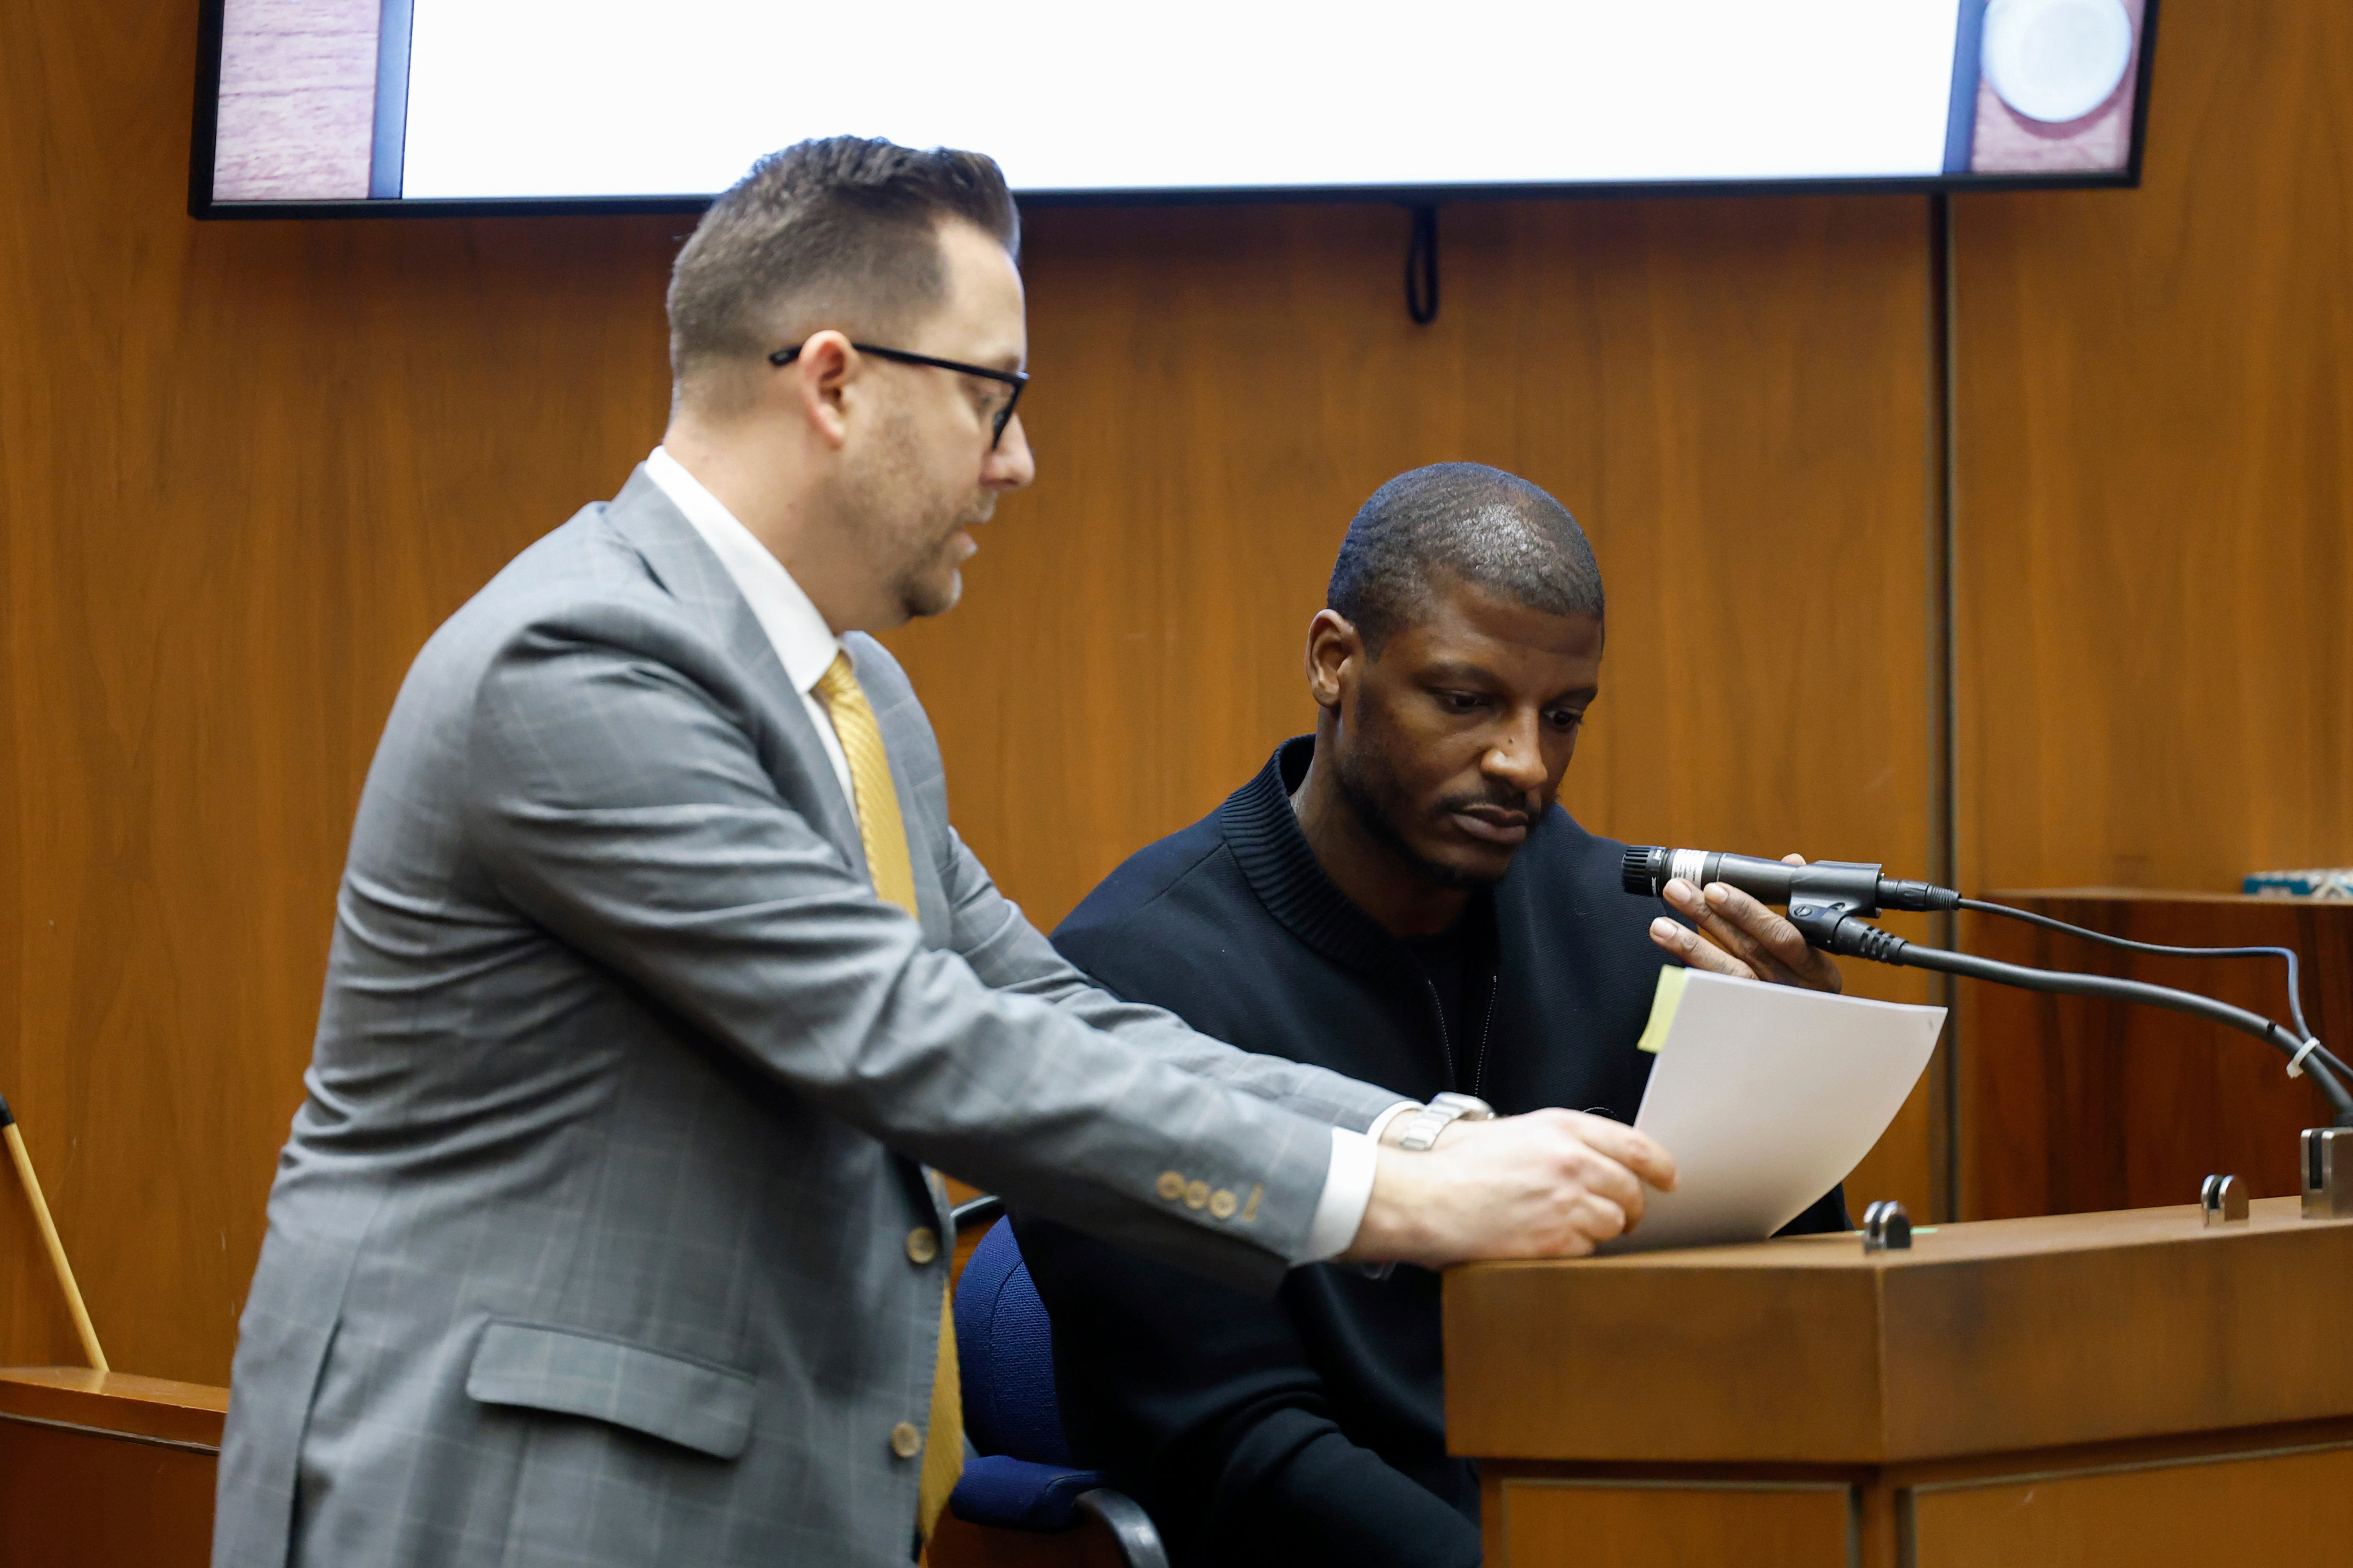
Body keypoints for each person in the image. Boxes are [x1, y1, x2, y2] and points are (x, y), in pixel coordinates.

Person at [209, 145, 1682, 1568]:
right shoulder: (581, 662)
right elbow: (907, 1037)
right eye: (996, 399)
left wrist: (1421, 1135)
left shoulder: (855, 701)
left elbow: (1047, 1010)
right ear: (837, 381)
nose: (1019, 462)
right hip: (513, 1510)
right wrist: (1390, 1205)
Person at [1016, 462, 1849, 1568]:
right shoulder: (1134, 973)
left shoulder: (1632, 933)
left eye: (1561, 716)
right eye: (1464, 701)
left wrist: (1785, 1080)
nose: (1522, 763)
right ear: (1333, 660)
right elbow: (1229, 1445)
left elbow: (1779, 1328)